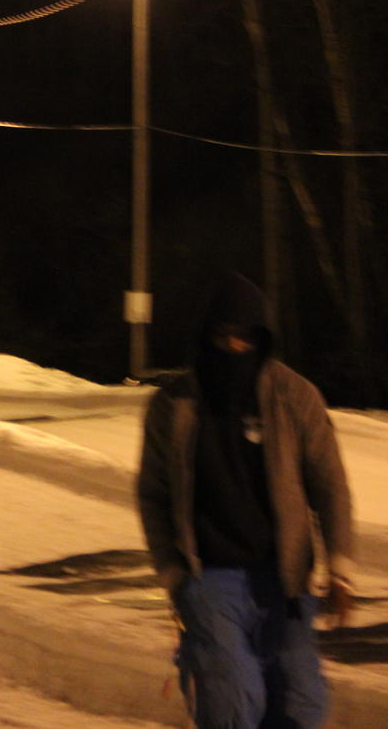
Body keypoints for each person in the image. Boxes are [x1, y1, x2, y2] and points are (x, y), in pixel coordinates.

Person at [137, 272, 354, 729]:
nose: (234, 348)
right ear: (206, 336)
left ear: (262, 337)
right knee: (233, 703)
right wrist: (174, 574)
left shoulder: (294, 398)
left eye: (245, 337)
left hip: (285, 580)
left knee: (300, 706)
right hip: (210, 579)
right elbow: (153, 495)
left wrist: (341, 567)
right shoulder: (173, 407)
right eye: (223, 336)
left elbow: (330, 484)